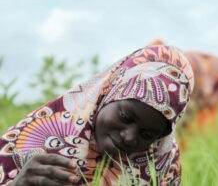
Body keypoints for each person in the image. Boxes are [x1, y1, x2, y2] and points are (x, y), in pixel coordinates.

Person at [0, 45, 194, 185]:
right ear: (106, 94)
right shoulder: (37, 142)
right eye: (125, 117)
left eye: (147, 135)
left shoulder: (162, 168)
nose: (129, 137)